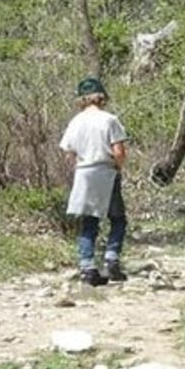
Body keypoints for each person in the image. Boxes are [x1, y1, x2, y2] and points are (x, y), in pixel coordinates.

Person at [59, 76, 129, 286]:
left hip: (84, 173)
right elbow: (119, 151)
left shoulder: (75, 121)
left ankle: (87, 265)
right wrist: (118, 166)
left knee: (89, 221)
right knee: (117, 218)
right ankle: (111, 258)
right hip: (106, 171)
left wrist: (80, 166)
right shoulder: (110, 120)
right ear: (101, 97)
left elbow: (68, 152)